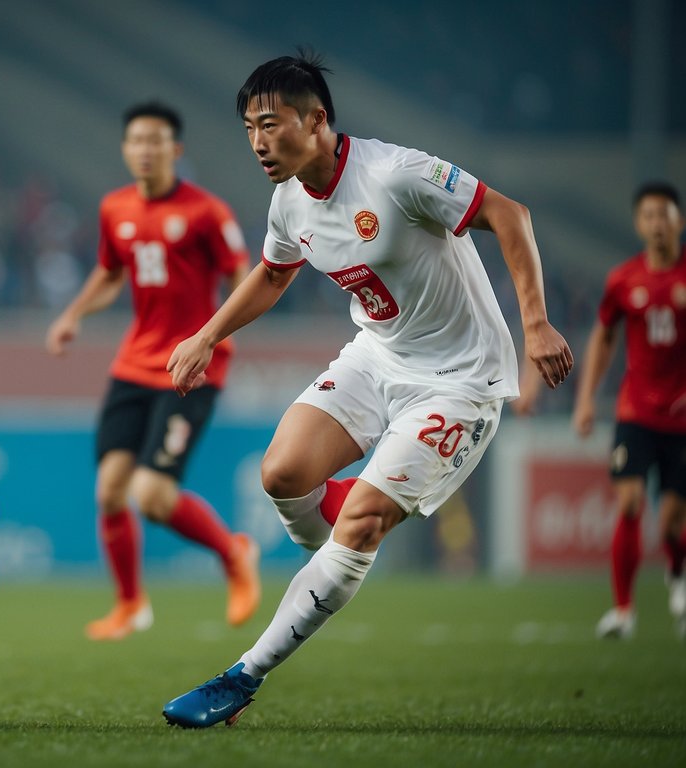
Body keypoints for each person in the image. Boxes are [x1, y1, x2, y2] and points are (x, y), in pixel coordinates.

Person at [159, 52, 573, 727]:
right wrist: (206, 335)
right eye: (248, 129)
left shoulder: (396, 174)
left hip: (460, 381)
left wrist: (536, 325)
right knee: (283, 472)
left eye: (272, 124)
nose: (259, 141)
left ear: (317, 120)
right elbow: (272, 274)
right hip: (378, 357)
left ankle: (240, 678)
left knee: (359, 525)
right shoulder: (289, 198)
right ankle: (346, 538)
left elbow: (510, 215)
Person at [46, 102, 260, 640]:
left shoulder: (207, 212)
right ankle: (130, 605)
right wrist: (73, 314)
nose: (145, 149)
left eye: (156, 140)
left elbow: (244, 277)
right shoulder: (114, 207)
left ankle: (233, 552)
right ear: (125, 148)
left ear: (175, 149)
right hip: (134, 364)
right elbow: (110, 272)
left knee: (153, 496)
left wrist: (215, 339)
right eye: (136, 140)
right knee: (110, 491)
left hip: (191, 368)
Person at [520, 182, 685, 640]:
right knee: (629, 503)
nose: (656, 224)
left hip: (683, 420)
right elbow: (605, 337)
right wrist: (587, 398)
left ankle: (676, 570)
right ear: (639, 223)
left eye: (664, 215)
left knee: (673, 520)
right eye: (648, 215)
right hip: (637, 411)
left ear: (679, 222)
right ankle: (624, 610)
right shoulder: (624, 279)